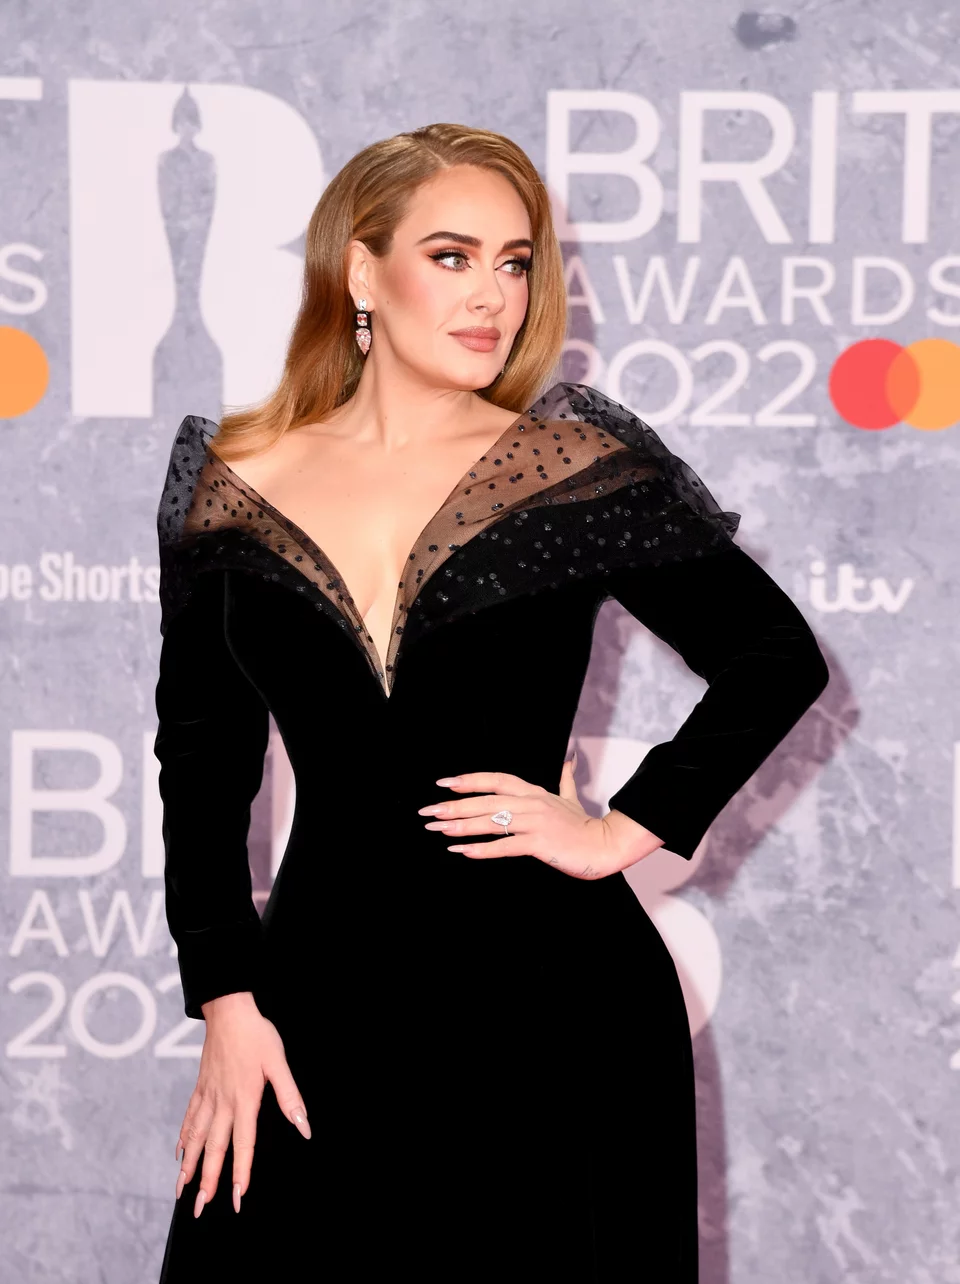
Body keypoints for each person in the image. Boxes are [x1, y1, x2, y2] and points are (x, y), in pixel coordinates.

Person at [154, 122, 829, 1282]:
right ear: (362, 272)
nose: (494, 296)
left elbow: (774, 656)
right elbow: (201, 758)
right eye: (452, 256)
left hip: (552, 1001)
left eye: (516, 262)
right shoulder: (237, 484)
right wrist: (225, 994)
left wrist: (621, 828)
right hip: (321, 993)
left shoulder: (569, 471)